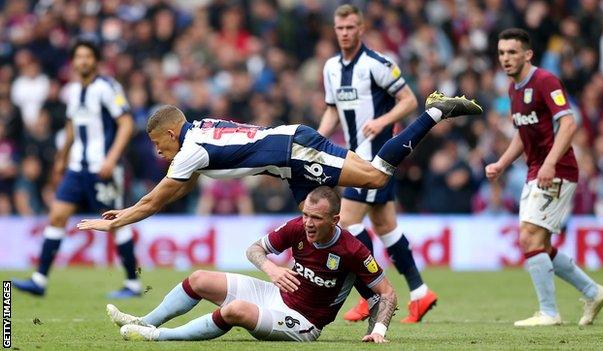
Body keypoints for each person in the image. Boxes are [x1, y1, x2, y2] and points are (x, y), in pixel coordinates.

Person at [76, 91, 481, 233]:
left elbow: (155, 201)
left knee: (375, 178)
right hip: (292, 159)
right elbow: (173, 189)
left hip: (296, 151)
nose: (156, 153)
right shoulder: (198, 131)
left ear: (168, 132)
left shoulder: (191, 150)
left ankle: (435, 112)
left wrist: (113, 221)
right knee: (311, 222)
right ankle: (329, 295)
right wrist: (127, 211)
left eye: (155, 143)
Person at [105, 187, 397, 343]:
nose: (308, 223)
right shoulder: (297, 228)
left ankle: (158, 337)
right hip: (275, 295)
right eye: (306, 214)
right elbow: (254, 249)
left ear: (335, 220)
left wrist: (379, 332)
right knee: (199, 279)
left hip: (305, 323)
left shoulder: (352, 250)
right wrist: (271, 268)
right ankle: (146, 322)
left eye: (317, 218)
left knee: (234, 311)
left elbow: (387, 293)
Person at [485, 28, 603, 327]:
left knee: (529, 237)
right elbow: (522, 132)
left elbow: (568, 124)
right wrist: (502, 163)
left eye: (512, 52)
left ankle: (549, 312)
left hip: (556, 171)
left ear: (528, 54)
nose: (506, 58)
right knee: (538, 242)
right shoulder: (513, 89)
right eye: (502, 53)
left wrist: (550, 163)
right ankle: (593, 292)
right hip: (536, 171)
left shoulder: (545, 81)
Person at [318, 4, 436, 323]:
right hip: (355, 156)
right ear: (335, 29)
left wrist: (381, 120)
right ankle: (420, 293)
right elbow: (333, 110)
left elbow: (410, 100)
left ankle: (372, 295)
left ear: (361, 29)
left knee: (347, 223)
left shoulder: (377, 63)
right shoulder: (330, 68)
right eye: (339, 28)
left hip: (377, 158)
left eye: (350, 28)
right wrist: (315, 136)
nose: (344, 33)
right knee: (386, 228)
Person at [12, 39, 142, 299]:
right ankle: (39, 279)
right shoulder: (73, 91)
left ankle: (133, 283)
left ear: (95, 60)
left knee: (115, 222)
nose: (83, 61)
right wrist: (62, 158)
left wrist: (111, 158)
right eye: (79, 57)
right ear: (73, 62)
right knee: (57, 215)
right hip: (76, 168)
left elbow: (126, 124)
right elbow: (72, 127)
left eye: (88, 56)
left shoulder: (107, 87)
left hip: (102, 168)